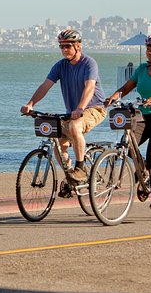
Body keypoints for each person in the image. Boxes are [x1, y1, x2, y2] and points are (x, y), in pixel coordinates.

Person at [20, 29, 106, 185]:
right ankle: (71, 179)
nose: (64, 50)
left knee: (75, 126)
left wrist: (80, 108)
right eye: (62, 46)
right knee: (59, 144)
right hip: (73, 112)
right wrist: (30, 104)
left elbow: (90, 88)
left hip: (94, 108)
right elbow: (46, 85)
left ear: (78, 46)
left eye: (68, 46)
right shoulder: (60, 66)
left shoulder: (89, 63)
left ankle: (80, 168)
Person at [105, 33, 151, 210]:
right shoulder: (142, 69)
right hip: (145, 117)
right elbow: (126, 88)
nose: (149, 52)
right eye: (148, 49)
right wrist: (114, 96)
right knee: (129, 144)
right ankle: (143, 172)